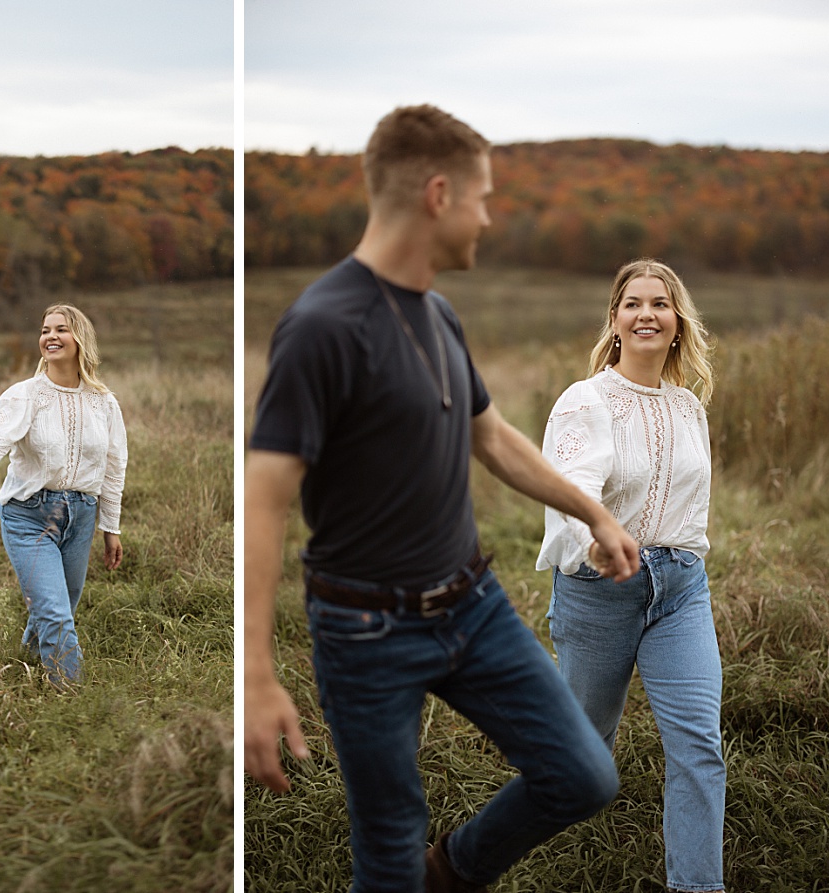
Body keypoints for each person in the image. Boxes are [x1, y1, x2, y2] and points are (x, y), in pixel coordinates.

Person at [244, 104, 643, 893]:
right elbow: (264, 499)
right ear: (437, 193)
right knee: (387, 851)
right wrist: (255, 674)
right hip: (366, 631)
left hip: (473, 604)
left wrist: (593, 511)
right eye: (482, 197)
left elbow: (493, 439)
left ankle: (454, 872)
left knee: (584, 775)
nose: (488, 217)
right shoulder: (322, 326)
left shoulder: (439, 313)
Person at [537, 259, 723, 892]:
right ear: (615, 321)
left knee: (699, 744)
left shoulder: (689, 407)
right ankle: (545, 858)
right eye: (633, 304)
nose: (647, 314)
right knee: (585, 756)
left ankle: (697, 885)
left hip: (680, 591)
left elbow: (692, 506)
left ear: (678, 323)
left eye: (661, 304)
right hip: (601, 592)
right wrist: (598, 541)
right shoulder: (585, 402)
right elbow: (568, 492)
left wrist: (684, 562)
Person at [0, 303, 126, 690]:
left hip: (81, 516)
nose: (50, 336)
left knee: (59, 607)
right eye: (45, 329)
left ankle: (25, 666)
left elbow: (114, 467)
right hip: (29, 516)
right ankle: (71, 696)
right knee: (55, 614)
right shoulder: (24, 396)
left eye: (61, 329)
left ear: (80, 339)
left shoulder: (104, 402)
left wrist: (110, 527)